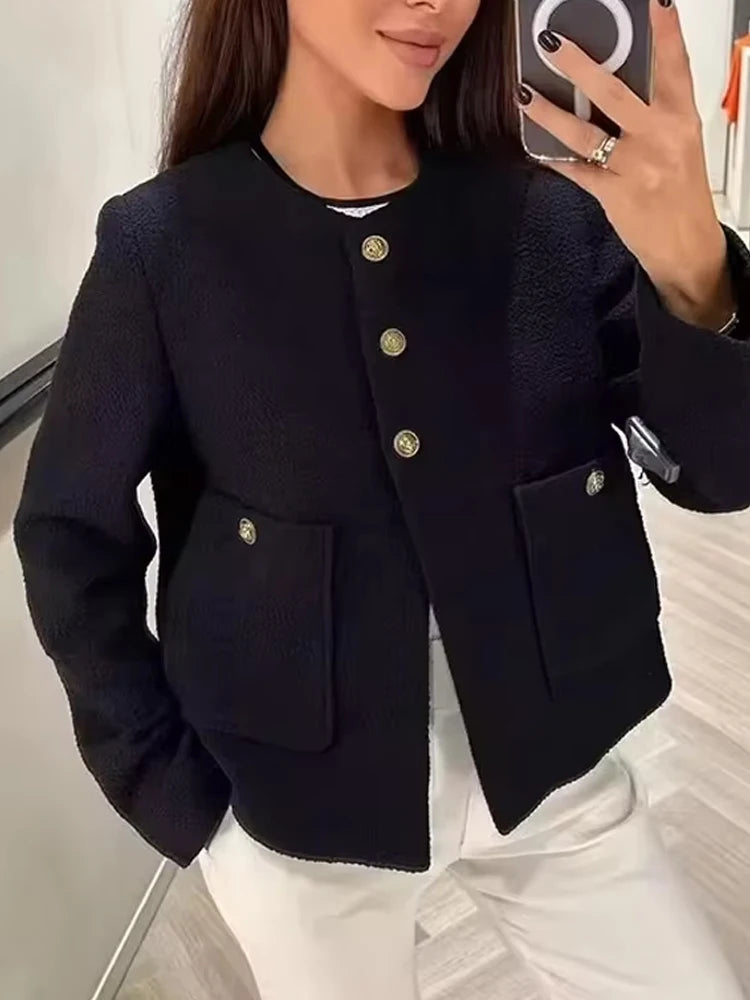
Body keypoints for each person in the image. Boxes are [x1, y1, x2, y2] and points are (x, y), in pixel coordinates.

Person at [14, 0, 750, 997]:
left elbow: (714, 472)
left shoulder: (554, 213)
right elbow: (68, 533)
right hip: (298, 820)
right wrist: (177, 794)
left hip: (556, 773)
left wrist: (698, 274)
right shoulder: (165, 244)